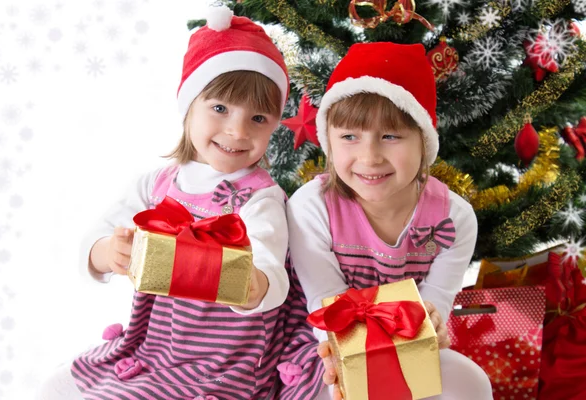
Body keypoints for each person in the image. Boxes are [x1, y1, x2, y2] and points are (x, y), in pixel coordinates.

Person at [38, 7, 292, 399]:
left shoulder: (259, 199)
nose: (237, 131)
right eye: (220, 108)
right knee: (56, 386)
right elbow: (98, 236)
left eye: (258, 118)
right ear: (189, 106)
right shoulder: (158, 185)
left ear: (275, 125)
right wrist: (108, 252)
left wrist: (252, 283)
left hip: (220, 362)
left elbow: (273, 275)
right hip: (154, 347)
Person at [282, 42, 493, 400]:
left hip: (408, 341)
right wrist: (355, 361)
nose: (369, 157)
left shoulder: (453, 219)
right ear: (329, 142)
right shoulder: (312, 207)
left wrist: (432, 325)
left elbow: (434, 301)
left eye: (390, 136)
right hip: (328, 345)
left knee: (470, 382)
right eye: (349, 137)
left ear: (423, 143)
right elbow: (324, 300)